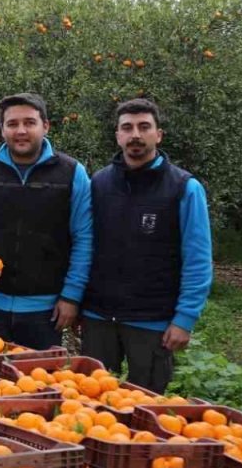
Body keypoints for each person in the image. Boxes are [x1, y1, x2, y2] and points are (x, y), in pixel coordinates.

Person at [82, 98, 213, 393]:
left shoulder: (183, 188)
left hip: (152, 320)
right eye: (127, 128)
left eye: (144, 127)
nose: (135, 135)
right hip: (98, 316)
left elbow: (198, 259)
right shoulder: (99, 183)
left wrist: (185, 318)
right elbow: (85, 245)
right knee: (90, 402)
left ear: (158, 134)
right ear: (117, 136)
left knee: (146, 407)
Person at [0, 92, 92, 349]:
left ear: (45, 126)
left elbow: (85, 237)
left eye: (29, 122)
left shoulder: (72, 173)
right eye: (12, 124)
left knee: (38, 384)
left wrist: (72, 295)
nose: (20, 130)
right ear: (2, 129)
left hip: (44, 310)